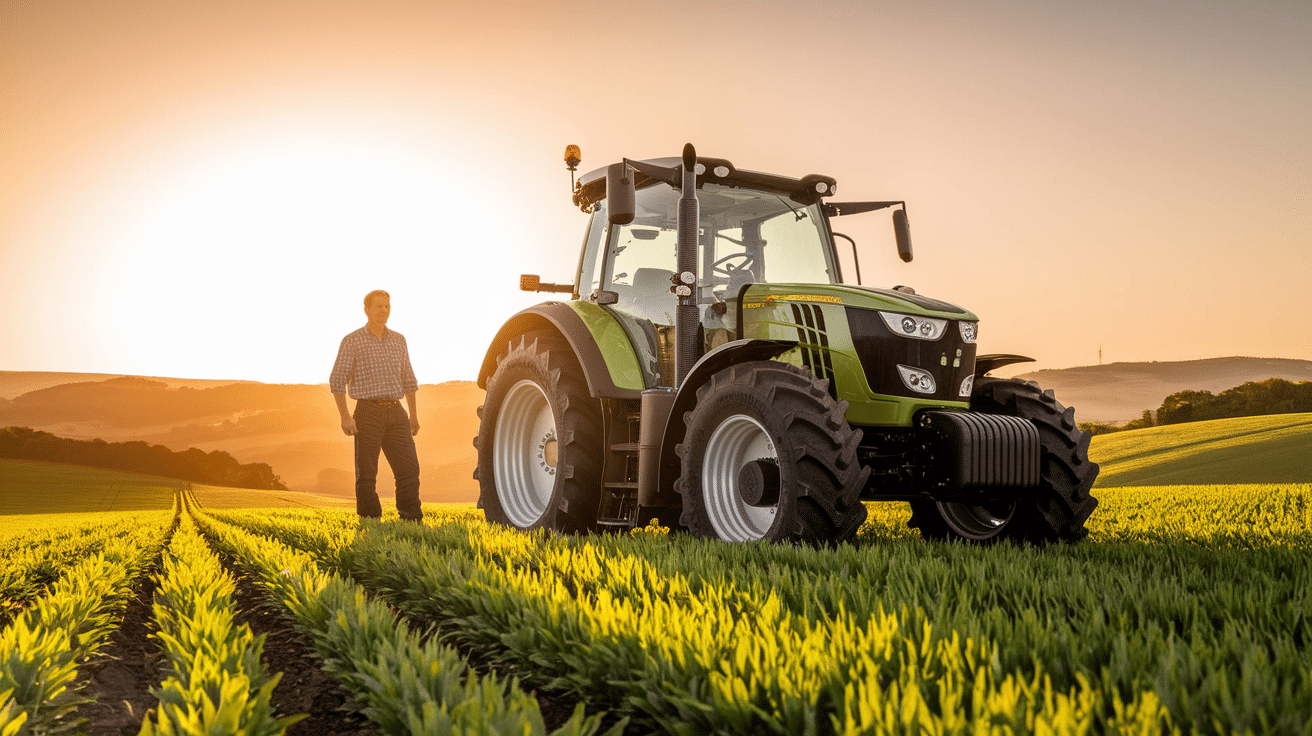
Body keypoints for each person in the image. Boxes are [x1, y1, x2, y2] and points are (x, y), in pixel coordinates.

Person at [329, 289, 423, 521]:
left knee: (409, 468)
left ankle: (410, 517)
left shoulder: (399, 340)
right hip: (367, 411)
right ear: (367, 310)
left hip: (396, 410)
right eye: (379, 306)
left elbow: (409, 379)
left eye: (387, 306)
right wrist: (345, 417)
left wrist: (413, 416)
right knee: (367, 472)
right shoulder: (353, 341)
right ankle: (370, 518)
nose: (384, 311)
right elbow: (337, 380)